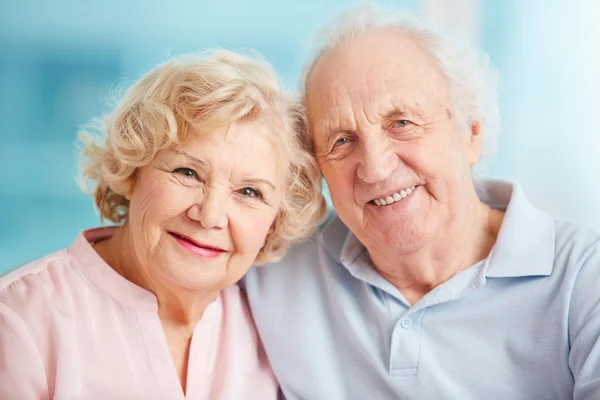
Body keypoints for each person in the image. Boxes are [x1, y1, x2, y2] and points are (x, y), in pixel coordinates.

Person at [242, 5, 600, 399]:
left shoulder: (585, 279)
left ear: (471, 133)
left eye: (402, 123)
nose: (375, 169)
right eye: (341, 140)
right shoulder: (274, 265)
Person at [0, 50, 326, 399]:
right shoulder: (20, 321)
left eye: (249, 192)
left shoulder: (275, 327)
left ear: (277, 220)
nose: (210, 215)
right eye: (187, 172)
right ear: (132, 169)